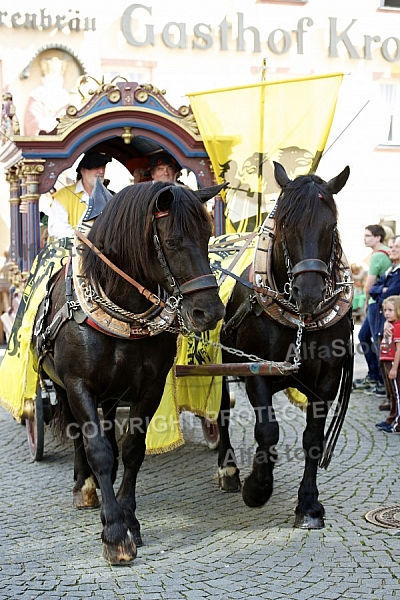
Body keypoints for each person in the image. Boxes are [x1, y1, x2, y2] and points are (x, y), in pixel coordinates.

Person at [353, 224, 392, 396]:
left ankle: (382, 382)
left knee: (377, 340)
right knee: (364, 336)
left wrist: (367, 302)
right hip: (384, 302)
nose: (364, 238)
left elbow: (369, 285)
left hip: (377, 304)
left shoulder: (377, 256)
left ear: (378, 237)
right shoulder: (386, 252)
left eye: (368, 235)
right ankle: (374, 375)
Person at [47, 152, 112, 239]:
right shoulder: (63, 196)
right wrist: (82, 237)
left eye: (103, 167)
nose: (101, 171)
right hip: (72, 250)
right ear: (83, 170)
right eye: (96, 167)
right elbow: (56, 228)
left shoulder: (111, 197)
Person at [369, 236, 400, 409]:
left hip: (394, 324)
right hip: (385, 320)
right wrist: (382, 290)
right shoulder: (391, 269)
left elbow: (393, 292)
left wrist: (381, 291)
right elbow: (374, 290)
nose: (392, 249)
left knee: (392, 363)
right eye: (391, 246)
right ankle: (390, 400)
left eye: (396, 247)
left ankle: (394, 405)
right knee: (384, 360)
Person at [375, 296, 400, 434]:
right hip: (386, 361)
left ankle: (397, 424)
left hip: (392, 363)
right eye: (385, 310)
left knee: (397, 394)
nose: (387, 313)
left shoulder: (398, 327)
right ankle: (391, 418)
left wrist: (395, 368)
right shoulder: (390, 325)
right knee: (391, 393)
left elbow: (399, 350)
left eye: (390, 310)